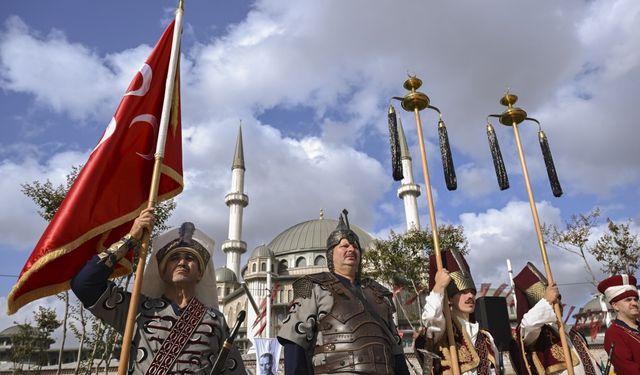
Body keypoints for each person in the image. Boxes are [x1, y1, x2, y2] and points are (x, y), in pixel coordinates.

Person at [71, 208, 246, 374]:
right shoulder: (135, 310)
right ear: (162, 271)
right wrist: (131, 238)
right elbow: (84, 284)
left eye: (190, 258)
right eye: (175, 258)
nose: (182, 262)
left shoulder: (216, 320)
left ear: (200, 273)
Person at [277, 210, 410, 375]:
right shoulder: (308, 284)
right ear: (330, 254)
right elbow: (295, 340)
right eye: (344, 246)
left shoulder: (379, 294)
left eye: (355, 246)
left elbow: (396, 349)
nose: (351, 249)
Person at [418, 248, 498, 375]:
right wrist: (439, 287)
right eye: (463, 292)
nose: (470, 296)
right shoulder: (444, 331)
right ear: (449, 299)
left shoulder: (487, 339)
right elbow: (431, 318)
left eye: (472, 292)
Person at [512, 262, 601, 375]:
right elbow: (527, 326)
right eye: (554, 301)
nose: (558, 303)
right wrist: (547, 301)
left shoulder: (574, 333)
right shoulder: (539, 334)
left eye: (558, 299)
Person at [598, 274, 640, 375]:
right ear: (615, 306)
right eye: (628, 300)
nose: (634, 303)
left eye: (635, 299)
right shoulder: (614, 334)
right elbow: (629, 371)